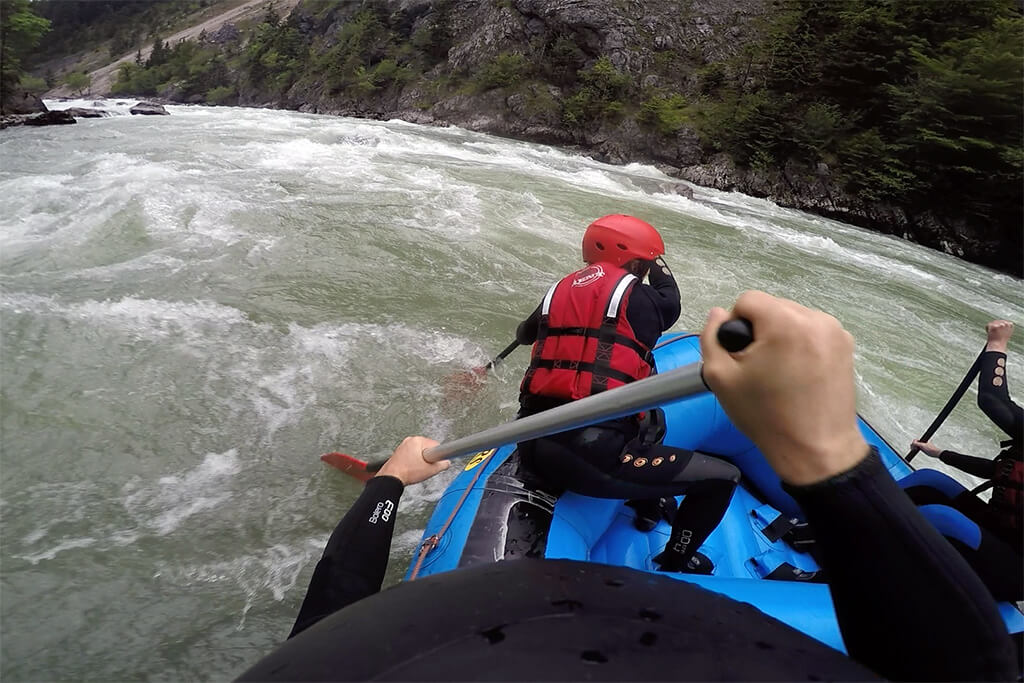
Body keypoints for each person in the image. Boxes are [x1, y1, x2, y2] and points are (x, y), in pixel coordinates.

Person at [239, 292, 1019, 681]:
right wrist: (829, 465)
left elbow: (325, 624)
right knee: (926, 495)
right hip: (591, 450)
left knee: (929, 496)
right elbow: (967, 665)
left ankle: (714, 531)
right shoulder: (641, 296)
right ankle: (688, 548)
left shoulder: (568, 297)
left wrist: (388, 486)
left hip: (561, 452)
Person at [514, 214, 739, 573]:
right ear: (637, 261)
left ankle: (646, 499)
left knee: (652, 418)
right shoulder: (641, 297)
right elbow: (672, 302)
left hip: (531, 444)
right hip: (591, 455)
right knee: (724, 478)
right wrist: (658, 264)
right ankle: (677, 559)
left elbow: (525, 333)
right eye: (646, 263)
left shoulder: (556, 291)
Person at [900, 319, 1022, 600]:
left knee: (942, 518)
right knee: (930, 481)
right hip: (997, 529)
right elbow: (1003, 472)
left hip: (1013, 569)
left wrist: (997, 343)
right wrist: (942, 454)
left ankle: (857, 559)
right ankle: (844, 518)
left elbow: (994, 401)